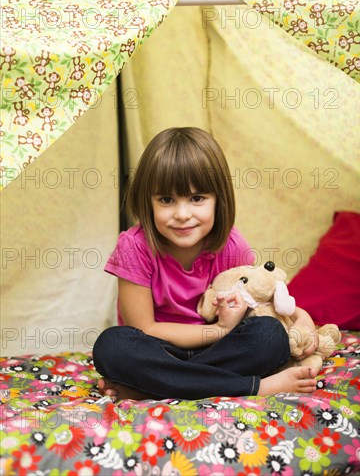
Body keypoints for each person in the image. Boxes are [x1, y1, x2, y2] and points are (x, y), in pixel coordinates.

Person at [93, 127, 318, 401]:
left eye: (197, 198)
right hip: (160, 351)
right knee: (112, 345)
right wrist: (219, 329)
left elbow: (263, 298)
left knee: (270, 335)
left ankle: (150, 388)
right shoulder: (133, 247)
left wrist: (302, 318)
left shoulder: (232, 246)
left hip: (219, 351)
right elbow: (145, 328)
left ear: (218, 200)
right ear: (148, 201)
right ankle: (253, 386)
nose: (182, 214)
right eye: (166, 200)